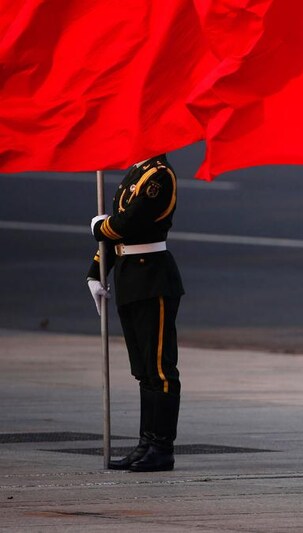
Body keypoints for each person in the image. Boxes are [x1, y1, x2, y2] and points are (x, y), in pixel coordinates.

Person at [87, 154, 184, 472]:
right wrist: (97, 269)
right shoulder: (136, 172)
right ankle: (146, 443)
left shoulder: (159, 176)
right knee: (143, 369)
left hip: (151, 277)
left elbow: (130, 222)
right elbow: (118, 231)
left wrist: (100, 227)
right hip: (130, 276)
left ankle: (161, 447)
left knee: (160, 368)